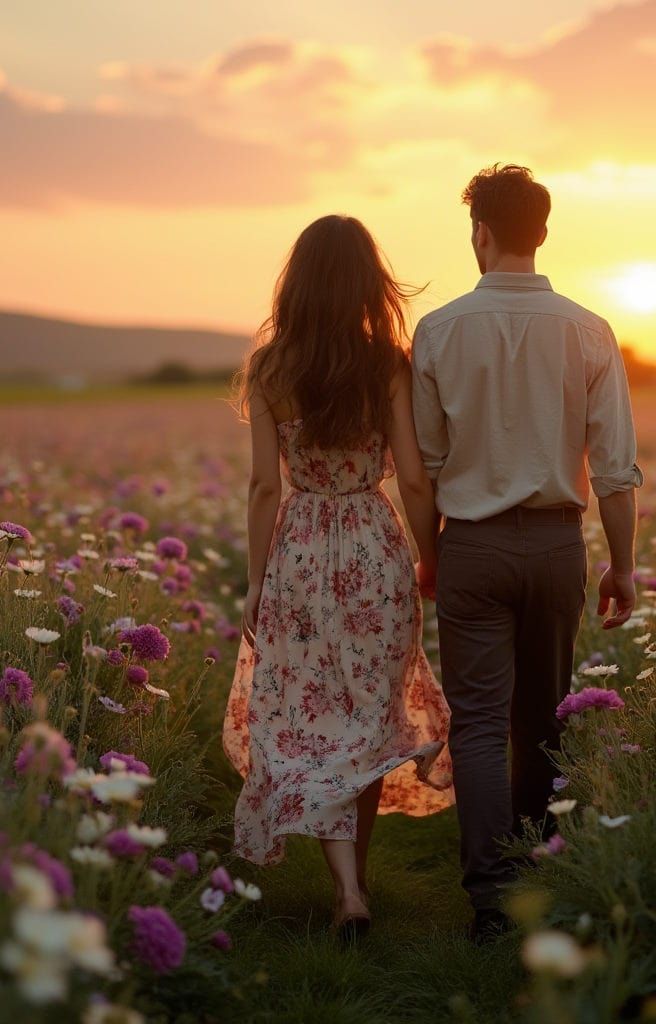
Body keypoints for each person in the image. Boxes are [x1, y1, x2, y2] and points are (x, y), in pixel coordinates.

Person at [411, 163, 643, 942]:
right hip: (554, 548)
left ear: (479, 232)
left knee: (476, 722)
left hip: (470, 544)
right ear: (541, 234)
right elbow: (614, 471)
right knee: (540, 718)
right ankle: (538, 870)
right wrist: (624, 564)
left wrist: (428, 555)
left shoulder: (438, 330)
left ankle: (488, 899)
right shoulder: (590, 330)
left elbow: (429, 464)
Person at [223, 214, 453, 941]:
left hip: (296, 552)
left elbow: (264, 488)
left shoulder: (269, 369)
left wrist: (256, 582)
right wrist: (430, 554)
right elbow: (414, 480)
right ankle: (356, 886)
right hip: (372, 550)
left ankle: (348, 889)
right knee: (362, 722)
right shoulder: (388, 363)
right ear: (366, 283)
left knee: (311, 724)